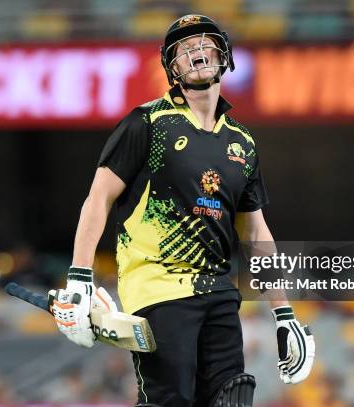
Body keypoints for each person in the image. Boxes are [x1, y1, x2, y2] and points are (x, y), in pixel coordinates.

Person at [48, 14, 315, 407]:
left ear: (224, 55)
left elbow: (256, 234)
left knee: (233, 398)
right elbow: (98, 198)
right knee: (170, 400)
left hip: (220, 292)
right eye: (183, 50)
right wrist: (79, 278)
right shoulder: (147, 122)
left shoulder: (243, 143)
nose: (196, 53)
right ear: (172, 68)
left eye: (204, 44)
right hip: (158, 289)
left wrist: (284, 313)